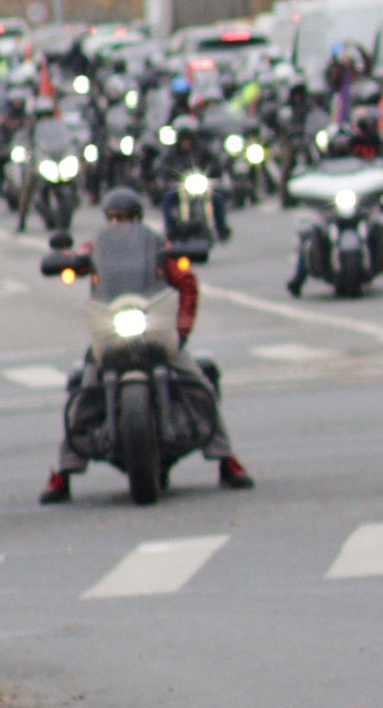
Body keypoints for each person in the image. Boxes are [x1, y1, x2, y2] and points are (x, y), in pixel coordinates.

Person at [39, 184, 252, 495]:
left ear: (138, 219)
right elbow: (75, 259)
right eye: (113, 218)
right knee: (84, 393)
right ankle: (63, 473)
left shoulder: (158, 247)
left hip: (154, 333)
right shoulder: (95, 247)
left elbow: (187, 283)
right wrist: (64, 261)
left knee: (198, 383)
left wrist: (181, 331)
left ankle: (226, 459)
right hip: (111, 336)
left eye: (125, 217)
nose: (119, 224)